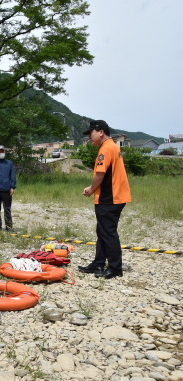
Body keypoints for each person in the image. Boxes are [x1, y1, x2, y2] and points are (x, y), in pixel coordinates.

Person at [79, 120, 131, 279]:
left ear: (100, 131)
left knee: (108, 232)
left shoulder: (106, 149)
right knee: (102, 231)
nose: (89, 137)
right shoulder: (112, 147)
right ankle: (98, 263)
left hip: (109, 198)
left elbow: (100, 175)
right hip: (115, 196)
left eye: (91, 133)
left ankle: (115, 268)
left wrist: (91, 189)